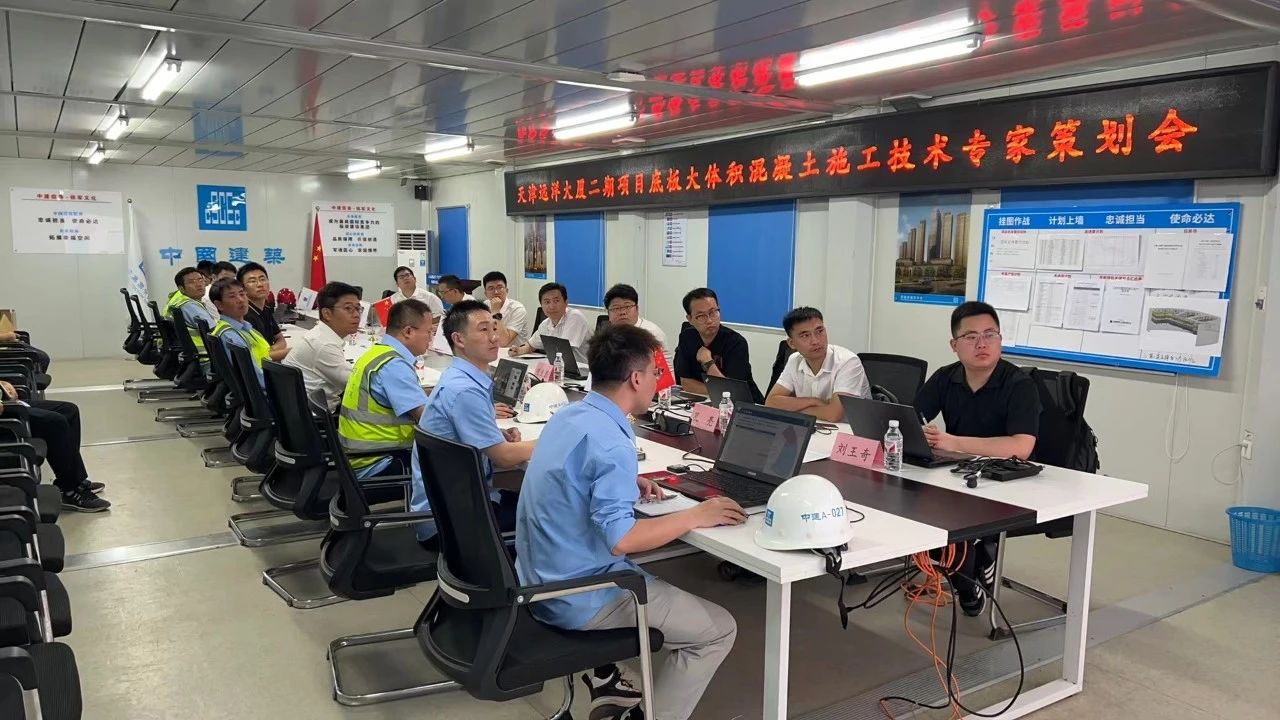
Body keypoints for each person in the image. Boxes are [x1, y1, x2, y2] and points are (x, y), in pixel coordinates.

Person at [517, 325, 743, 720]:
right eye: (656, 373)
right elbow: (622, 539)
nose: (658, 381)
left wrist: (626, 482)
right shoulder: (611, 442)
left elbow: (569, 475)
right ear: (636, 378)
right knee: (718, 631)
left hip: (534, 578)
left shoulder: (570, 416)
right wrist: (696, 514)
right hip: (579, 594)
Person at [913, 301, 1041, 616]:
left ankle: (969, 582)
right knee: (913, 504)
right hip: (960, 473)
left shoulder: (1019, 385)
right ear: (954, 345)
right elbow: (911, 417)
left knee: (951, 520)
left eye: (990, 335)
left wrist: (953, 442)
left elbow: (1022, 446)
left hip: (1009, 481)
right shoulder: (946, 377)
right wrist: (920, 434)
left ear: (1000, 340)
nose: (982, 344)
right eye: (971, 337)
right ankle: (969, 565)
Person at [411, 300, 535, 550]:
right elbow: (503, 458)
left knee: (537, 501)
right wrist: (552, 439)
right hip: (453, 521)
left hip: (449, 506)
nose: (494, 337)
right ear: (459, 339)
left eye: (494, 328)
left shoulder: (459, 377)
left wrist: (495, 433)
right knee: (552, 516)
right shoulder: (465, 390)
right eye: (483, 330)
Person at [338, 299, 434, 479]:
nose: (431, 338)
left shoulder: (377, 354)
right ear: (408, 332)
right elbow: (430, 419)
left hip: (357, 456)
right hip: (379, 461)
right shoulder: (393, 365)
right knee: (460, 462)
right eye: (429, 332)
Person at [0, 381, 110, 512]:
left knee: (69, 410)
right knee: (55, 422)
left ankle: (72, 480)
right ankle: (71, 490)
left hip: (5, 401)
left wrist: (3, 384)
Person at [766, 307, 870, 421]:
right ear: (791, 343)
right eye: (805, 335)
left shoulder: (848, 361)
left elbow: (833, 414)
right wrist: (814, 401)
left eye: (819, 331)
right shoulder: (794, 360)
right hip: (814, 426)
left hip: (849, 429)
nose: (815, 341)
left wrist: (792, 410)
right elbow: (771, 402)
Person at [672, 288, 762, 402]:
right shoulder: (687, 337)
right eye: (701, 316)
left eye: (713, 312)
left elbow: (731, 392)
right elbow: (686, 383)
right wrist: (718, 391)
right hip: (704, 401)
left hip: (744, 405)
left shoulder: (736, 343)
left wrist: (708, 362)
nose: (710, 320)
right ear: (690, 319)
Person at [284, 281, 361, 413]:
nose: (356, 315)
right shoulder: (323, 344)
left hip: (299, 410)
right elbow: (357, 384)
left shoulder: (320, 335)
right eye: (348, 308)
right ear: (327, 314)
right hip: (315, 417)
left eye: (358, 308)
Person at [209, 278, 271, 388]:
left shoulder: (245, 327)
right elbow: (255, 377)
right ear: (219, 305)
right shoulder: (230, 336)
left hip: (267, 378)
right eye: (232, 296)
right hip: (266, 389)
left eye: (242, 294)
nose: (241, 300)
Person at [510, 282, 591, 364]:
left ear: (566, 302)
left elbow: (564, 352)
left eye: (556, 301)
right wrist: (518, 350)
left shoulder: (575, 317)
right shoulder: (546, 324)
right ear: (541, 305)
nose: (552, 306)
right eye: (547, 302)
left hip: (584, 369)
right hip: (560, 367)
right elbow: (531, 345)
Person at [162, 266, 216, 373]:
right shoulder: (190, 306)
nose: (199, 284)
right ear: (181, 289)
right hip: (207, 359)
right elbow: (215, 332)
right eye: (192, 282)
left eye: (200, 280)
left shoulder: (182, 300)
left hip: (194, 357)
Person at [237, 262, 288, 361]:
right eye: (252, 281)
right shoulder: (244, 316)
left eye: (262, 279)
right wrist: (291, 352)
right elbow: (257, 358)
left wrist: (270, 350)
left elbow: (281, 339)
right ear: (243, 289)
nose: (260, 284)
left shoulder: (266, 309)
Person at [480, 271, 529, 347]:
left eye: (500, 287)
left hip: (513, 352)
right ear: (486, 294)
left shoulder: (517, 309)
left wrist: (495, 312)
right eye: (491, 288)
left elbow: (504, 342)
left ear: (506, 290)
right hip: (491, 350)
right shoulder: (484, 306)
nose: (496, 292)